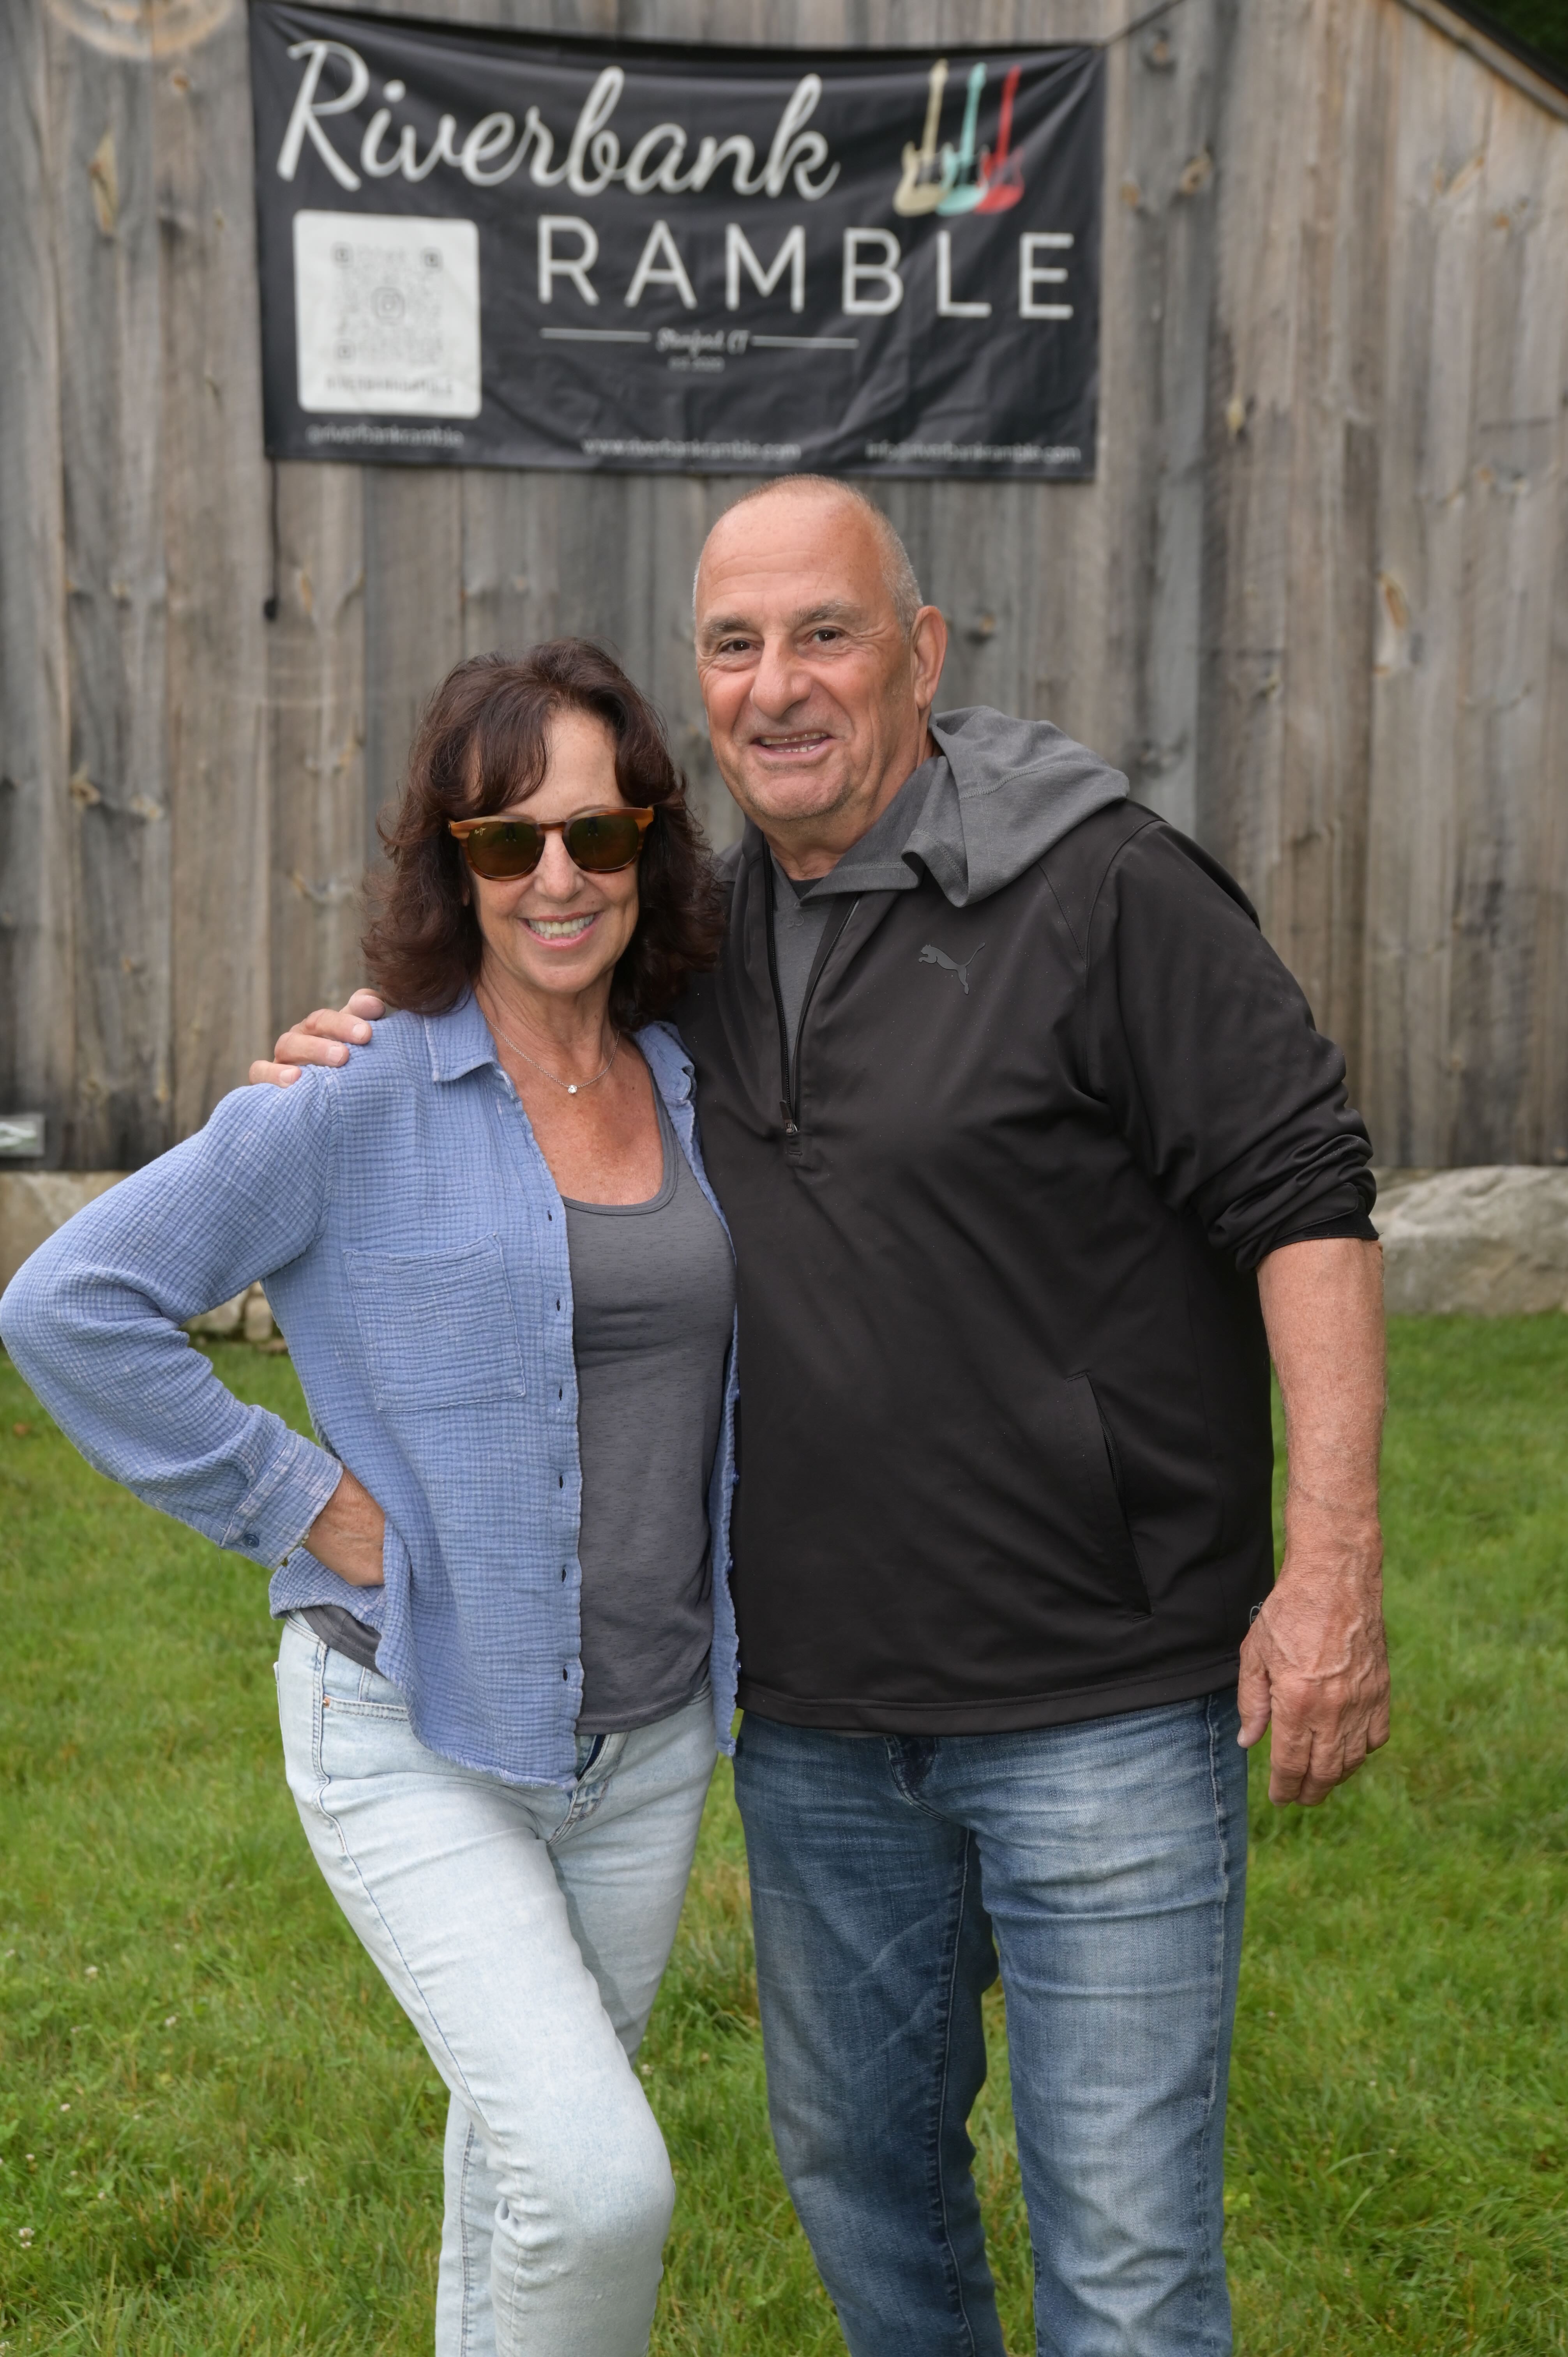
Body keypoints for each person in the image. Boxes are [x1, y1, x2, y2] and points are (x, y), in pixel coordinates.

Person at [260, 479, 1390, 2357]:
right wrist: (363, 1041)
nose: (777, 685)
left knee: (1125, 2264)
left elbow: (1306, 1196)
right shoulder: (693, 941)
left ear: (919, 654)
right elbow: (529, 995)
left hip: (1100, 1698)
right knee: (873, 2210)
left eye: (825, 635)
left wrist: (1331, 1566)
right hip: (815, 1725)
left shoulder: (1104, 889)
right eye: (734, 645)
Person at [1, 641, 742, 2357]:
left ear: (645, 846)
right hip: (414, 1717)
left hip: (649, 1741)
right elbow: (69, 1304)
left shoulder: (693, 1077)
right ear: (451, 865)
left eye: (596, 833)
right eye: (505, 841)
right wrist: (305, 1501)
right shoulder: (352, 1092)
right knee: (598, 2184)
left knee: (526, 2173)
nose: (557, 877)